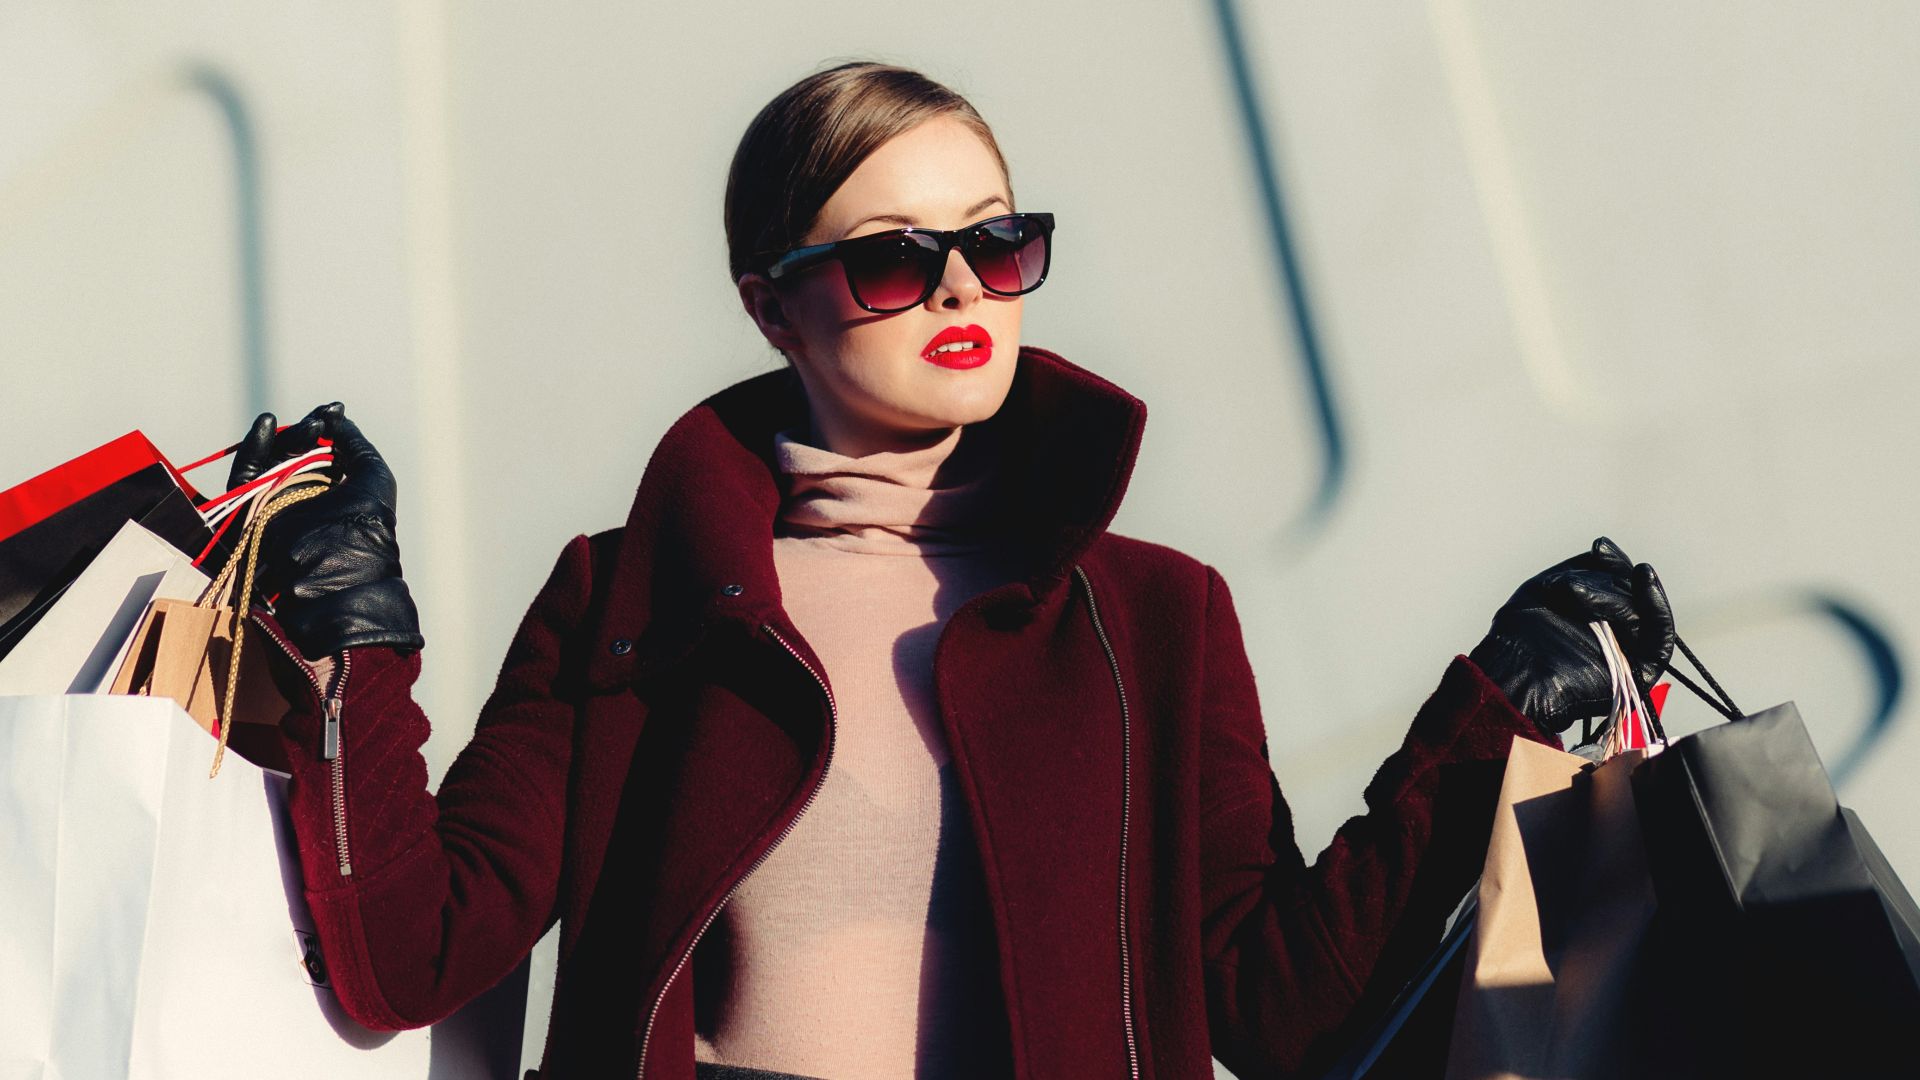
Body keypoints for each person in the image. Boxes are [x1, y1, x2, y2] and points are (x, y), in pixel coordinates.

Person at [237, 61, 1674, 1080]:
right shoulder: (633, 596)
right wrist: (354, 636)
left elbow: (1276, 1008)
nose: (955, 290)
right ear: (771, 305)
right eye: (888, 259)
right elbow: (413, 954)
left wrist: (1496, 710)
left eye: (996, 243)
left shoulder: (1156, 617)